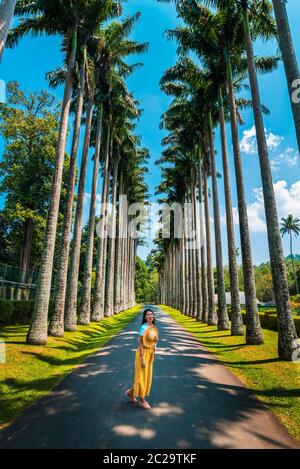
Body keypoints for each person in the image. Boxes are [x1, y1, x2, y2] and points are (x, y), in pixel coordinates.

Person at [125, 308, 158, 410]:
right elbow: (140, 343)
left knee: (146, 376)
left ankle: (131, 392)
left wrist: (156, 340)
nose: (150, 316)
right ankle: (142, 401)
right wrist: (142, 358)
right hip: (143, 353)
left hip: (150, 353)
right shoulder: (143, 328)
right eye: (148, 315)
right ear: (145, 317)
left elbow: (152, 341)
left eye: (151, 314)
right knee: (141, 376)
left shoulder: (153, 327)